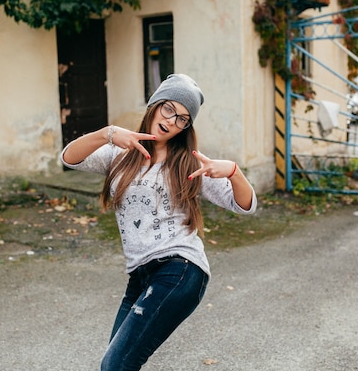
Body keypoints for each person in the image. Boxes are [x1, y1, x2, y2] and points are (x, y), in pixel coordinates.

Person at [61, 74, 257, 371]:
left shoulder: (188, 163)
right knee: (114, 364)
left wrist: (233, 171)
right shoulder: (120, 154)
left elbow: (244, 205)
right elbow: (68, 158)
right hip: (139, 277)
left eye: (183, 119)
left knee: (116, 365)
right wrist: (108, 134)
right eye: (169, 109)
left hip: (179, 269)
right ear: (155, 104)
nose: (172, 121)